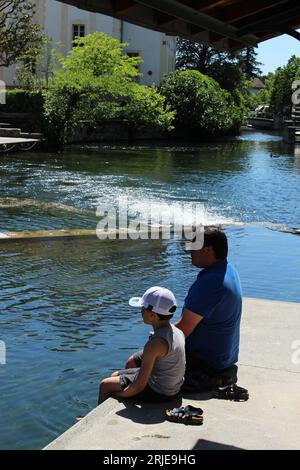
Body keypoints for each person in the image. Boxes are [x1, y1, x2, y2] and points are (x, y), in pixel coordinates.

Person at [175, 228, 246, 398]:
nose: (189, 251)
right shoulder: (228, 270)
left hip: (207, 363)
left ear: (207, 249)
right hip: (224, 358)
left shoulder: (211, 283)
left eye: (193, 246)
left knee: (136, 361)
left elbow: (183, 330)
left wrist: (157, 334)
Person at [98, 286, 186, 404]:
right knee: (114, 375)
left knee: (106, 385)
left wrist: (119, 395)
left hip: (160, 393)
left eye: (143, 308)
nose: (141, 311)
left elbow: (139, 385)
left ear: (153, 315)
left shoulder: (155, 343)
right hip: (172, 387)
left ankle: (97, 421)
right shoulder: (176, 331)